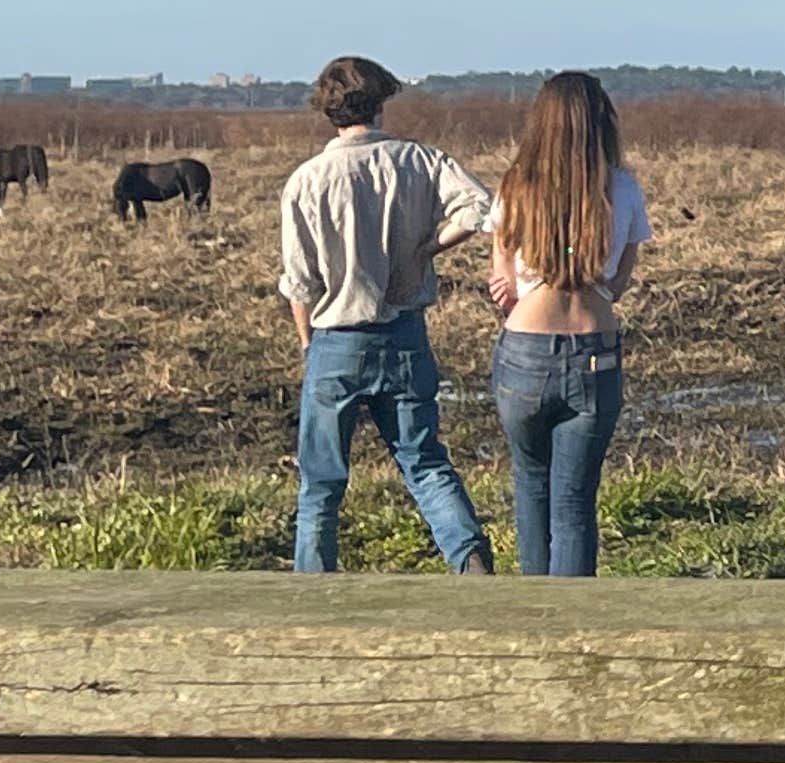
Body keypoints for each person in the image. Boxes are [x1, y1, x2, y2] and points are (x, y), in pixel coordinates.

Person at [277, 53, 498, 573]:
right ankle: (471, 565)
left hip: (334, 338)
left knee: (320, 485)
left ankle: (312, 597)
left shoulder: (306, 180)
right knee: (425, 464)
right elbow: (480, 207)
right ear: (380, 103)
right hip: (403, 334)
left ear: (326, 108)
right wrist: (426, 247)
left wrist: (308, 344)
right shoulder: (422, 161)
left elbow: (299, 280)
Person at [486, 71, 647, 577]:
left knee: (531, 486)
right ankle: (575, 626)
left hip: (526, 348)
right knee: (575, 501)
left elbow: (502, 279)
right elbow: (620, 279)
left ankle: (534, 621)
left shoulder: (516, 184)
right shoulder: (621, 186)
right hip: (594, 346)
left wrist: (516, 286)